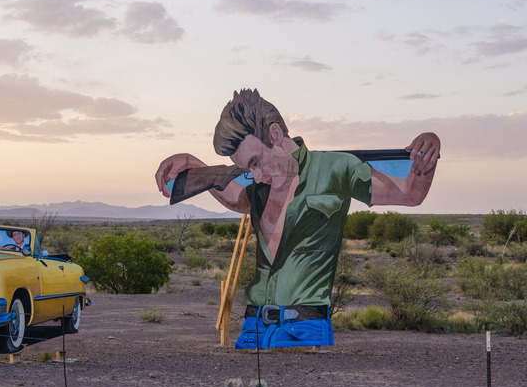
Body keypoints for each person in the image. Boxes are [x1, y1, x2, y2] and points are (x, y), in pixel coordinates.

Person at [155, 88, 441, 349]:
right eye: (246, 169)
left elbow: (408, 194)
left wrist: (429, 146)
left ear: (276, 134)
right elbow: (233, 197)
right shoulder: (258, 188)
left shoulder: (336, 168)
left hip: (305, 330)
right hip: (253, 328)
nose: (254, 176)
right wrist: (194, 164)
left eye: (255, 163)